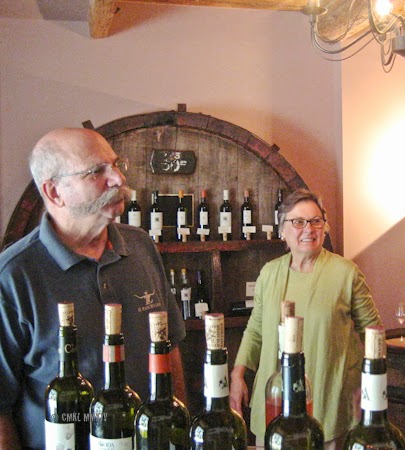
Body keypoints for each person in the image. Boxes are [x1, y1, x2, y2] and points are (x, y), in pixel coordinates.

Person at [0, 128, 187, 449]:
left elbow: (168, 346)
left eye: (116, 165)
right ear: (54, 192)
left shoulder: (140, 246)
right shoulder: (13, 275)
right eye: (96, 171)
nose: (118, 179)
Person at [229, 188, 382, 448]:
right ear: (282, 229)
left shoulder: (346, 273)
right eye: (298, 222)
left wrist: (370, 385)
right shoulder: (269, 273)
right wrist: (238, 374)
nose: (308, 229)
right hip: (275, 400)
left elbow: (373, 332)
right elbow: (255, 329)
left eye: (315, 221)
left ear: (324, 227)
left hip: (329, 399)